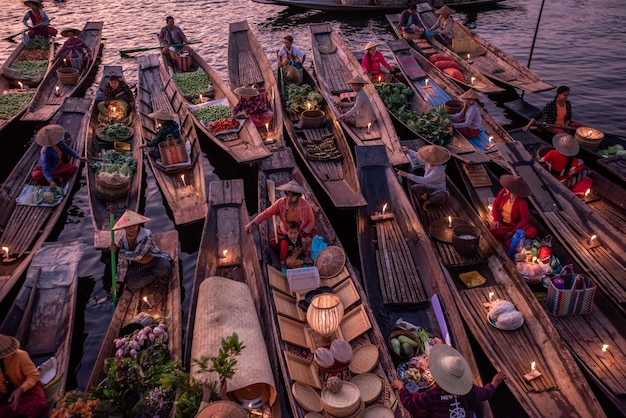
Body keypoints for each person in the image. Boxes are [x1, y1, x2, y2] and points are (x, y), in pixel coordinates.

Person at [391, 344, 506, 418]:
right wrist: (495, 382)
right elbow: (486, 393)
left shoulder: (434, 394)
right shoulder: (470, 389)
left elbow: (411, 403)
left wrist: (401, 388)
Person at [109, 210, 173, 292]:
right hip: (139, 265)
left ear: (138, 224)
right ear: (124, 227)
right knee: (131, 285)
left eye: (134, 225)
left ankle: (152, 277)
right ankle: (153, 277)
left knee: (165, 268)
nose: (131, 229)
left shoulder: (146, 235)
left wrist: (118, 251)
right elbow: (122, 263)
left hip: (154, 259)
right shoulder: (122, 241)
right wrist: (119, 282)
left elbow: (138, 255)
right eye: (128, 226)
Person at [245, 180, 316, 249]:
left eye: (292, 196)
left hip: (301, 231)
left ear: (297, 196)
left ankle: (297, 247)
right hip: (287, 231)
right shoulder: (280, 203)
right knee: (275, 243)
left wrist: (302, 233)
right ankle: (293, 247)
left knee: (311, 241)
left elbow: (311, 220)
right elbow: (266, 213)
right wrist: (252, 223)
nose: (289, 198)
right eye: (287, 196)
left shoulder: (305, 204)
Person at [0, 334, 47, 418]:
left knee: (38, 404)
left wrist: (20, 389)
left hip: (27, 389)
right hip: (6, 394)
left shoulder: (20, 356)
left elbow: (33, 375)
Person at [31, 124, 87, 189]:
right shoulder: (46, 152)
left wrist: (78, 157)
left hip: (57, 166)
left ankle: (55, 176)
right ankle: (52, 178)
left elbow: (68, 149)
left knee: (72, 168)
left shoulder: (59, 143)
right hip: (47, 169)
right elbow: (45, 169)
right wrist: (51, 181)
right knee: (36, 176)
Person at [397, 145, 450, 210]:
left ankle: (428, 202)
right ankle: (426, 197)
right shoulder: (428, 162)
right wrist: (408, 150)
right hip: (428, 186)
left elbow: (425, 180)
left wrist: (407, 175)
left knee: (442, 195)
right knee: (414, 188)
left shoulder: (439, 170)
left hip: (437, 190)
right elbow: (418, 156)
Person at [490, 175, 538, 244]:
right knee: (493, 229)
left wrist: (512, 232)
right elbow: (495, 205)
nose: (505, 187)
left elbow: (524, 220)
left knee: (529, 232)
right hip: (501, 221)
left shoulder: (522, 203)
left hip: (512, 225)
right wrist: (496, 220)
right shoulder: (503, 192)